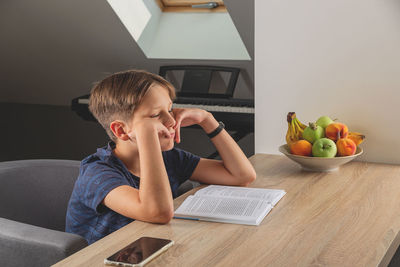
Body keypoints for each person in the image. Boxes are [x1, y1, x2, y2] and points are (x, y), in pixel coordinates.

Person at [65, 69, 256, 244]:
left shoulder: (170, 158)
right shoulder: (97, 173)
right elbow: (158, 213)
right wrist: (148, 137)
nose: (172, 121)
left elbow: (241, 176)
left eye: (170, 109)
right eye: (156, 115)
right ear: (121, 130)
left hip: (151, 248)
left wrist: (207, 120)